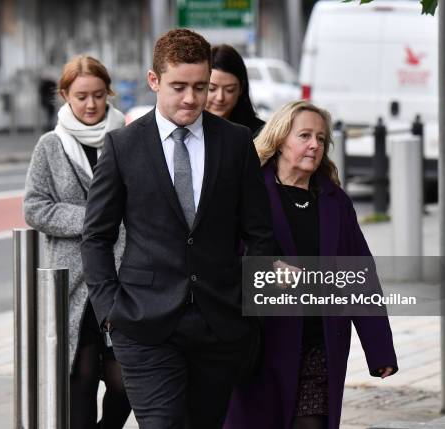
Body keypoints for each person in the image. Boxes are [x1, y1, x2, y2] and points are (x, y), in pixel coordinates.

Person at [81, 29, 278, 429]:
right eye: (179, 86)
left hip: (220, 325)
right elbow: (96, 235)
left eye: (200, 87)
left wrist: (251, 308)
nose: (191, 98)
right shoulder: (122, 146)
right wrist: (110, 312)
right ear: (154, 81)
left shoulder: (236, 142)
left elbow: (259, 232)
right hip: (143, 324)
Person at [223, 100, 398, 429]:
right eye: (304, 135)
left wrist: (380, 349)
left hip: (320, 343)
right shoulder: (248, 192)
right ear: (279, 139)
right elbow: (222, 259)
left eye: (320, 138)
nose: (314, 145)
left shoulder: (335, 201)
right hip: (261, 345)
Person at [23, 54, 130, 429]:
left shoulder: (127, 139)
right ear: (65, 95)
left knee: (125, 385)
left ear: (109, 94)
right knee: (80, 380)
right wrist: (92, 219)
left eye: (98, 95)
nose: (90, 104)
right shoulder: (50, 146)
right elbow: (35, 208)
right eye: (81, 96)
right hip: (72, 282)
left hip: (120, 277)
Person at [206, 44, 265, 136]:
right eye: (212, 89)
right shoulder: (186, 130)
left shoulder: (261, 134)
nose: (220, 97)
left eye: (230, 90)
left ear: (241, 88)